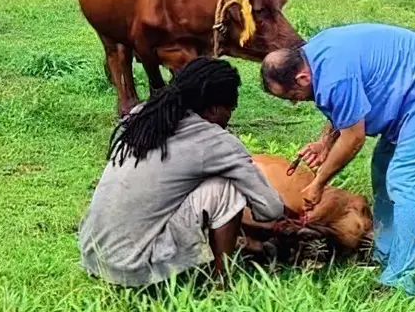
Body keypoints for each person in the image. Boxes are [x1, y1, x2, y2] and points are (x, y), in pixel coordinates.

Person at [260, 23, 415, 295]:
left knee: (404, 181)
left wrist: (318, 183)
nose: (294, 103)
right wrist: (325, 142)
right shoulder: (313, 57)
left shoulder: (334, 77)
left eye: (291, 96)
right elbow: (344, 106)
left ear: (301, 78)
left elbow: (354, 137)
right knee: (382, 168)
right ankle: (384, 251)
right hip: (409, 88)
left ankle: (402, 278)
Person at [79, 58, 284, 287]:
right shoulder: (216, 141)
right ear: (216, 107)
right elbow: (271, 208)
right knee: (226, 189)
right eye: (231, 108)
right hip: (132, 268)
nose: (230, 116)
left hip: (92, 254)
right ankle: (221, 283)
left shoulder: (142, 114)